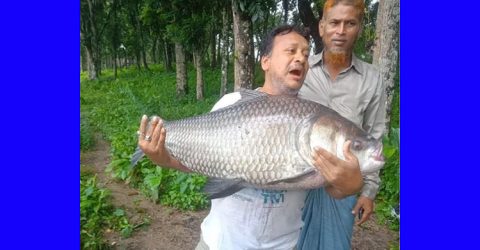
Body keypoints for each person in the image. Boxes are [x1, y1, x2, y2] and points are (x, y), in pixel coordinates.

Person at [136, 24, 363, 250]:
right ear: (265, 61)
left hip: (282, 246)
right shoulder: (230, 103)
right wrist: (164, 159)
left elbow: (329, 187)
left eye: (305, 54)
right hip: (220, 242)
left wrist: (351, 186)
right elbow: (201, 161)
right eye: (291, 51)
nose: (301, 59)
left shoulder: (317, 118)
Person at [296, 0, 387, 249]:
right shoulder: (301, 69)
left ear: (359, 28)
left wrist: (368, 192)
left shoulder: (371, 79)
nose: (341, 31)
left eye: (350, 23)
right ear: (322, 27)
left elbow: (373, 137)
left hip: (342, 187)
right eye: (334, 23)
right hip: (297, 178)